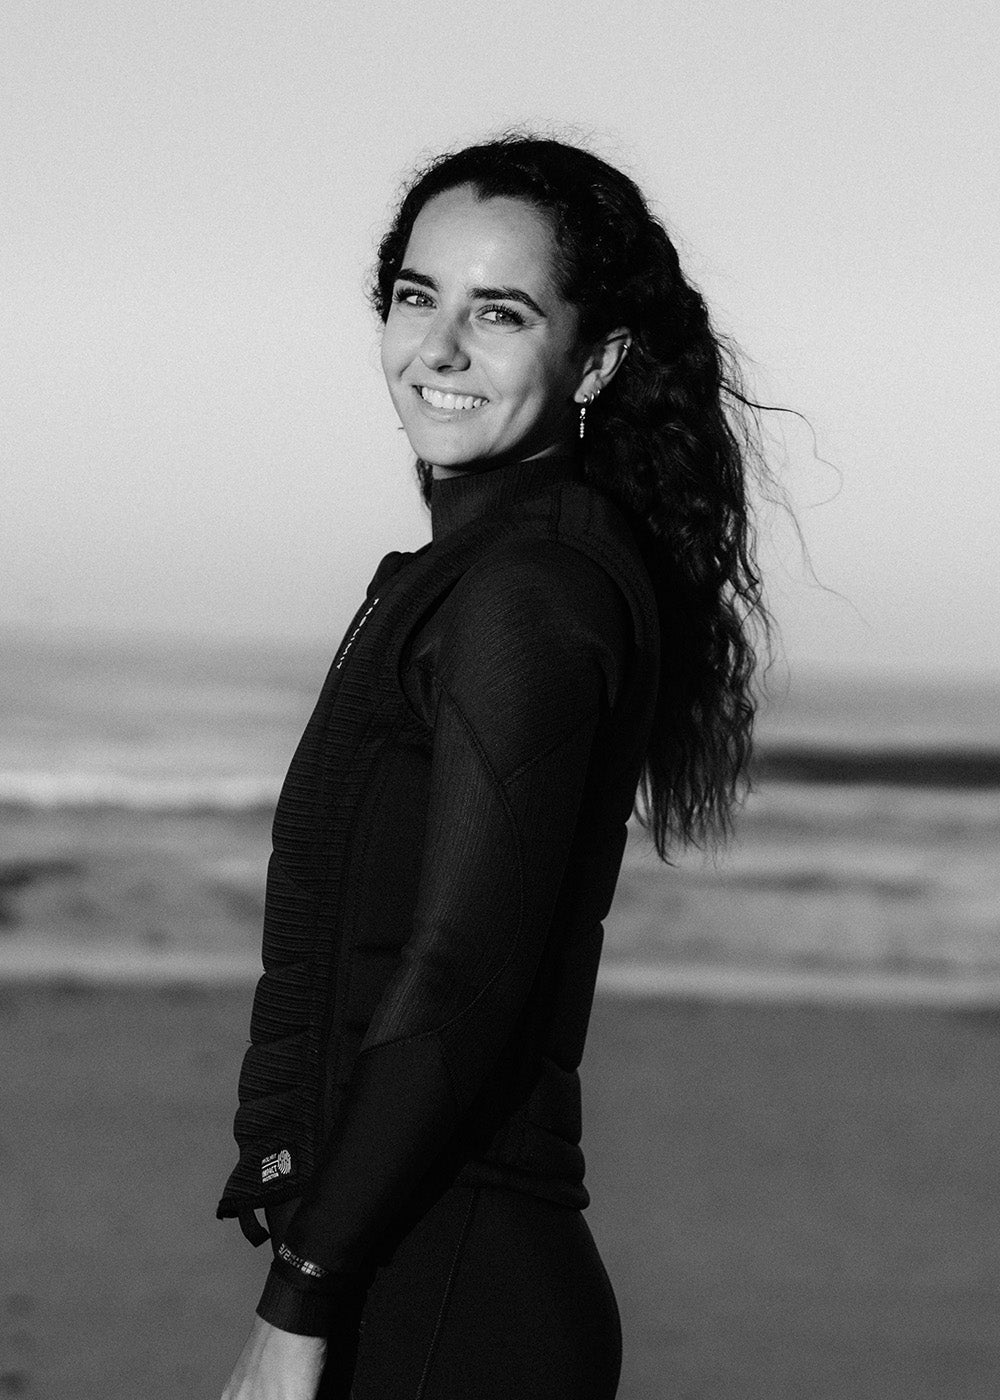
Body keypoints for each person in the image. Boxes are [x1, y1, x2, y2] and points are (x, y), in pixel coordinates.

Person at [217, 131, 773, 1400]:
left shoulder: (530, 585)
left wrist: (297, 1304)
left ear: (598, 359)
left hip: (451, 1299)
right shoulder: (481, 571)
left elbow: (462, 973)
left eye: (500, 312)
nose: (440, 348)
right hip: (412, 1272)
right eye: (418, 297)